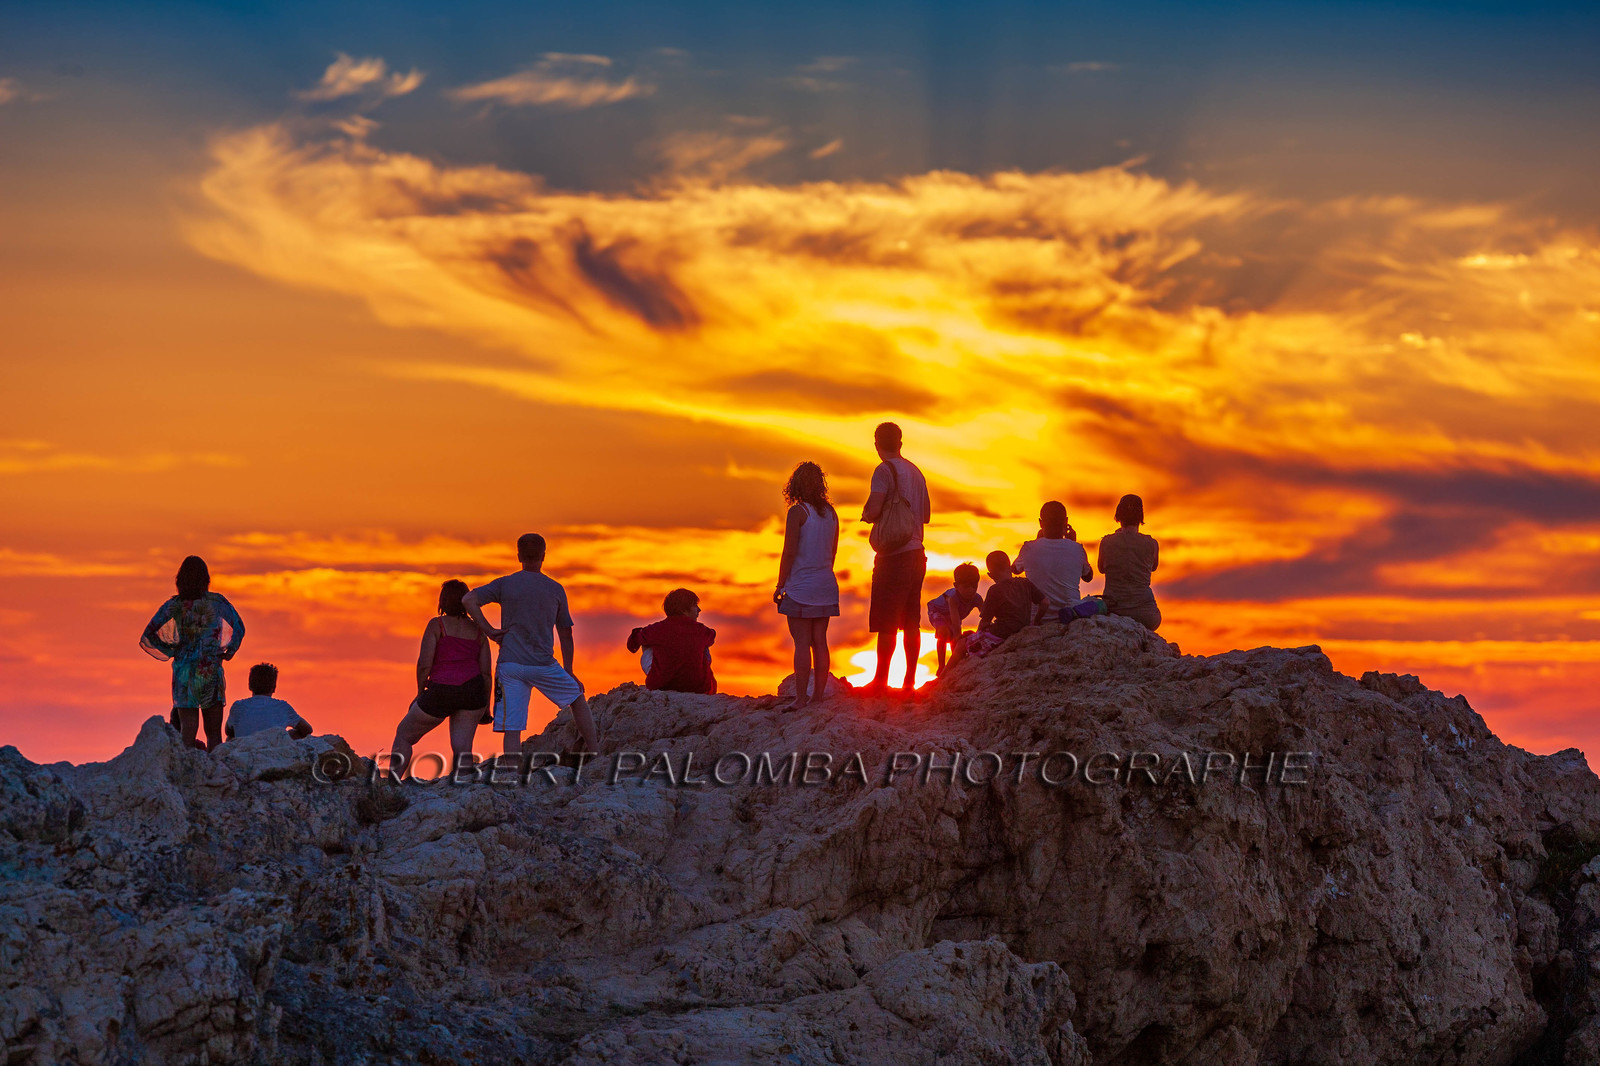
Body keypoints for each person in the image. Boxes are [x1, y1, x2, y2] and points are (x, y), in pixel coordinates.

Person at [463, 534, 600, 754]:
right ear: (543, 556)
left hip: (511, 665)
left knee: (513, 728)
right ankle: (595, 752)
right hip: (544, 664)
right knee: (576, 697)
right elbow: (565, 633)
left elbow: (468, 600)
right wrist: (569, 670)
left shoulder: (505, 584)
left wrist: (489, 631)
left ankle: (512, 778)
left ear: (518, 556)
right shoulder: (555, 589)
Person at [140, 555, 245, 752]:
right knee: (214, 733)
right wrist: (227, 652)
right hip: (210, 669)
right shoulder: (217, 602)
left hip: (184, 672)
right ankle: (215, 773)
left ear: (180, 580)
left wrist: (173, 649)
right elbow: (239, 627)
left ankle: (187, 775)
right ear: (206, 579)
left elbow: (149, 634)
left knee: (187, 731)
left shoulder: (173, 605)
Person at [389, 580, 492, 773]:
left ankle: (391, 784)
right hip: (473, 691)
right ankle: (466, 790)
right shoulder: (479, 631)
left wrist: (420, 693)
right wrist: (485, 706)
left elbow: (424, 665)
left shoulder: (437, 625)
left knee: (404, 735)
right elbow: (486, 673)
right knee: (463, 749)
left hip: (441, 691)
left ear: (443, 601)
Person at [860, 422, 931, 695]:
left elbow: (875, 508)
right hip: (917, 553)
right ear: (900, 442)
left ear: (877, 443)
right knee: (912, 620)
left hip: (894, 555)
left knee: (887, 620)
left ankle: (879, 682)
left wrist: (867, 514)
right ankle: (909, 683)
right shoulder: (915, 471)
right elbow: (924, 516)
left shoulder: (883, 471)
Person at [775, 461, 840, 710]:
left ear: (795, 485)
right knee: (820, 641)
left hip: (801, 586)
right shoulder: (831, 514)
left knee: (802, 643)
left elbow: (789, 552)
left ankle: (801, 699)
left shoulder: (798, 512)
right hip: (825, 584)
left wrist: (781, 584)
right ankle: (818, 697)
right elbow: (833, 552)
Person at [953, 550, 1046, 664]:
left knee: (961, 645)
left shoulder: (995, 590)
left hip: (1000, 636)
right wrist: (1036, 620)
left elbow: (985, 622)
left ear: (990, 574)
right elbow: (1045, 602)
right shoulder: (1026, 583)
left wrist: (977, 635)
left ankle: (942, 676)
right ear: (1010, 567)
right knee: (969, 636)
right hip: (1022, 629)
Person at [627, 588, 718, 694]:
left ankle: (658, 678)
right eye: (695, 605)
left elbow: (633, 643)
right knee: (705, 645)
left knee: (647, 642)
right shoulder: (701, 630)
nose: (699, 609)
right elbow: (712, 636)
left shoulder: (657, 629)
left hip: (662, 686)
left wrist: (639, 633)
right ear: (684, 609)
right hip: (697, 688)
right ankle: (707, 687)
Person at [1013, 501, 1094, 613]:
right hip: (1069, 616)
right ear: (1066, 521)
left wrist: (1037, 541)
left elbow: (1015, 570)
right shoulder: (1077, 548)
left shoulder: (1028, 548)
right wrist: (1072, 542)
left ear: (1041, 523)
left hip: (1036, 618)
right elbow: (1088, 577)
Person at [1098, 494, 1161, 631]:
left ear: (1118, 515)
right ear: (1141, 517)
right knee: (1156, 618)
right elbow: (1153, 567)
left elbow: (1101, 568)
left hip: (1115, 611)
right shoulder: (1152, 544)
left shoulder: (1107, 542)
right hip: (1146, 615)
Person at [225, 663, 312, 741]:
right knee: (294, 734)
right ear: (274, 687)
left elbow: (228, 731)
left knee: (230, 738)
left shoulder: (238, 706)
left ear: (250, 686)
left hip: (244, 751)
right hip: (273, 749)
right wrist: (287, 736)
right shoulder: (283, 707)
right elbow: (307, 730)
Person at [927, 563, 984, 675]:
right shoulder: (953, 598)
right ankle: (942, 666)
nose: (971, 590)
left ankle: (956, 663)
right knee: (945, 633)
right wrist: (957, 635)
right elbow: (956, 620)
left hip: (954, 617)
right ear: (956, 586)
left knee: (955, 638)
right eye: (966, 587)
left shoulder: (977, 598)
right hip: (937, 611)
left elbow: (986, 614)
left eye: (974, 586)